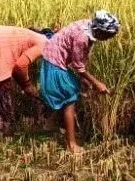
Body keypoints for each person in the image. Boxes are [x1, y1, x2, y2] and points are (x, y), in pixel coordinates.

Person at [39, 11, 120, 152]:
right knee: (69, 98)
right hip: (55, 62)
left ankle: (50, 124)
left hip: (54, 56)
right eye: (108, 35)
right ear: (100, 31)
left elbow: (79, 57)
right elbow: (78, 66)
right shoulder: (82, 38)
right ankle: (71, 144)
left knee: (71, 90)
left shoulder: (88, 24)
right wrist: (96, 83)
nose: (108, 39)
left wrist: (85, 79)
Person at [0, 26, 53, 132]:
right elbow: (20, 66)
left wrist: (23, 84)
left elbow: (18, 67)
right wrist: (27, 85)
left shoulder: (39, 39)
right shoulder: (44, 44)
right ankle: (0, 126)